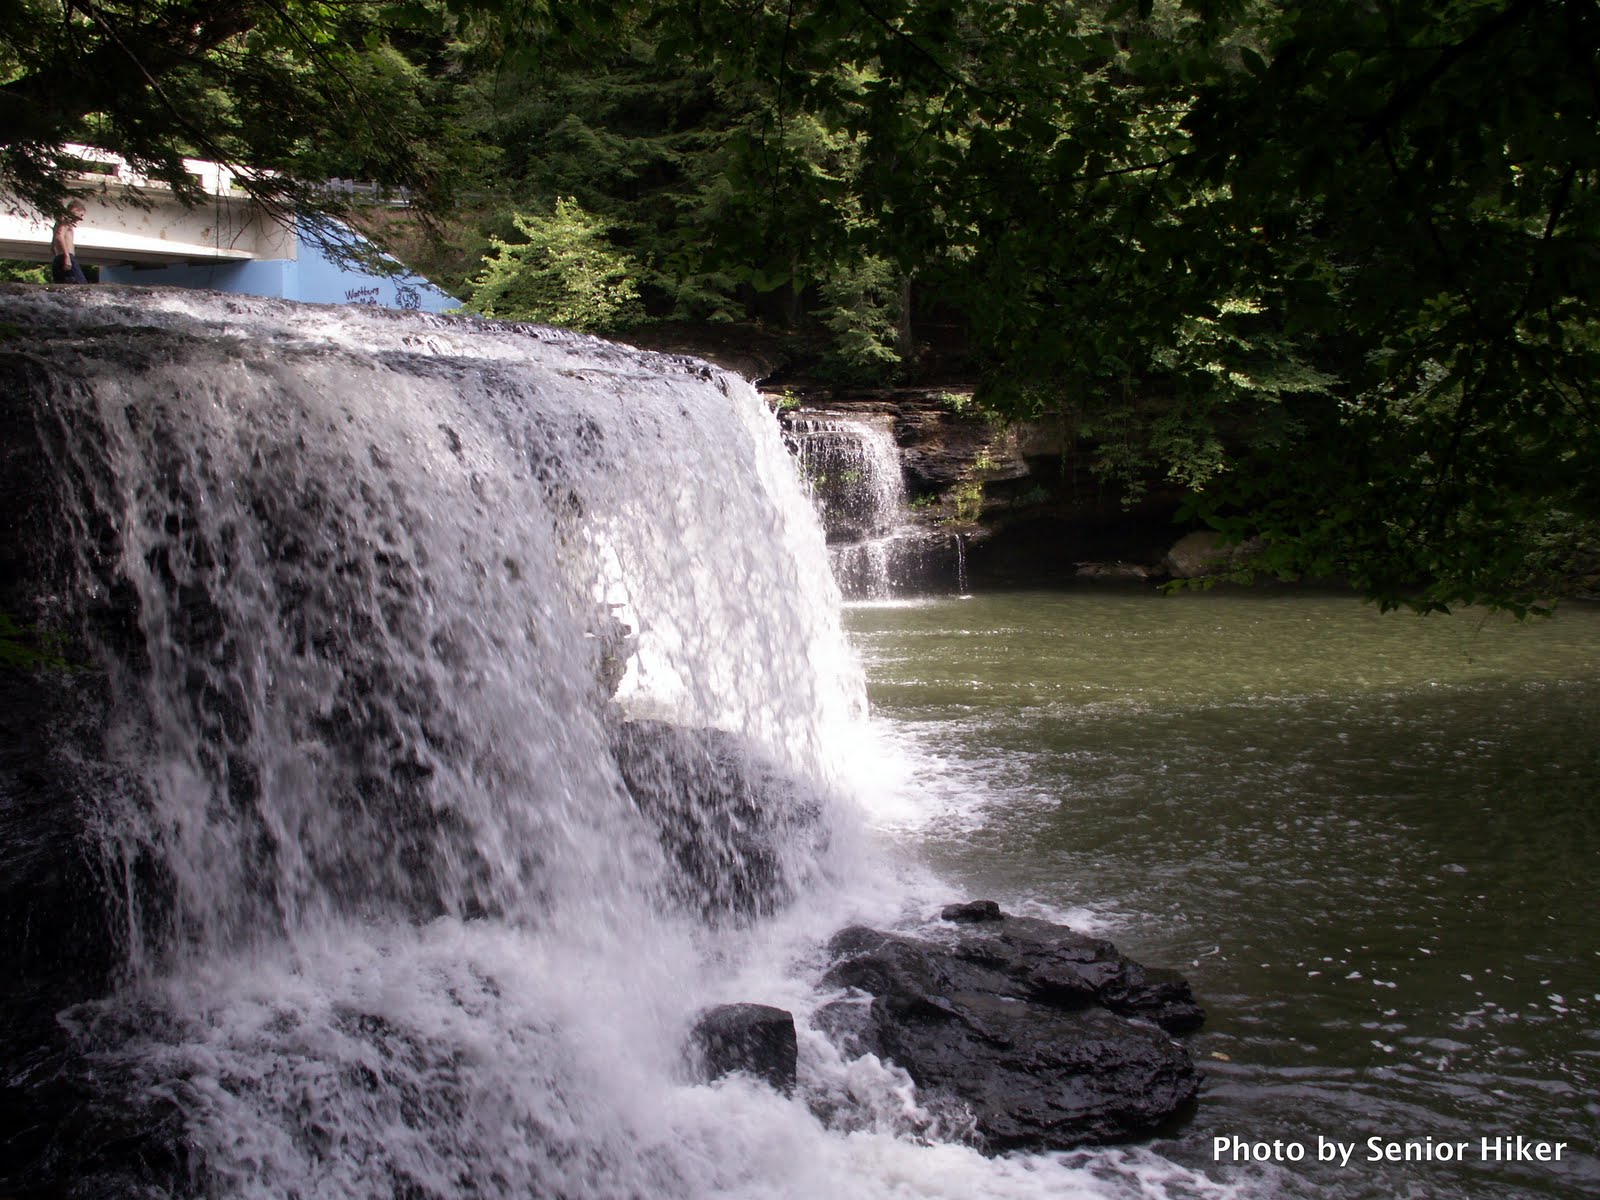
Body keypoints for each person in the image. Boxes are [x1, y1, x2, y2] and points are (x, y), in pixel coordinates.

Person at [51, 201, 88, 284]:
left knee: (61, 287)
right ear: (75, 210)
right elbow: (59, 235)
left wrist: (55, 251)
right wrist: (67, 257)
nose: (81, 218)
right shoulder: (66, 221)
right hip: (66, 256)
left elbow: (54, 241)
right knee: (82, 286)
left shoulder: (58, 222)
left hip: (58, 257)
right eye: (81, 214)